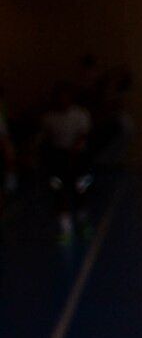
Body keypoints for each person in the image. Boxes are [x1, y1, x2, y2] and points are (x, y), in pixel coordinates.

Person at [36, 82, 93, 240]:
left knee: (79, 190)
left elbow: (83, 136)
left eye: (65, 96)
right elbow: (44, 139)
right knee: (59, 192)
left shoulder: (81, 115)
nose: (62, 100)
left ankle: (82, 222)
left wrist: (74, 153)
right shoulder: (49, 118)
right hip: (57, 159)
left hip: (78, 159)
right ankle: (65, 228)